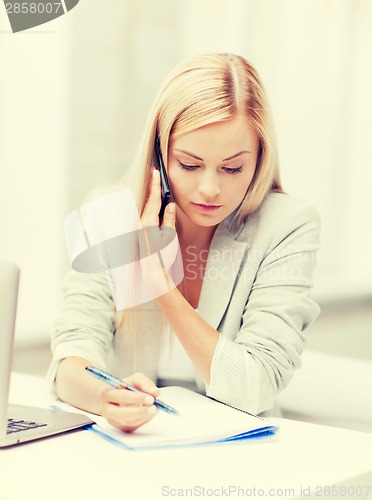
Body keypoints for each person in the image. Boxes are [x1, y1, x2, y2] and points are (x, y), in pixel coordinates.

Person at [48, 53, 320, 432]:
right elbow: (70, 360)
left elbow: (256, 386)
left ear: (259, 160)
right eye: (190, 165)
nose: (209, 189)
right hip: (131, 453)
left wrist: (163, 287)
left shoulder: (288, 226)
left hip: (240, 455)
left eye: (232, 168)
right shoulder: (107, 215)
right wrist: (105, 398)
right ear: (159, 157)